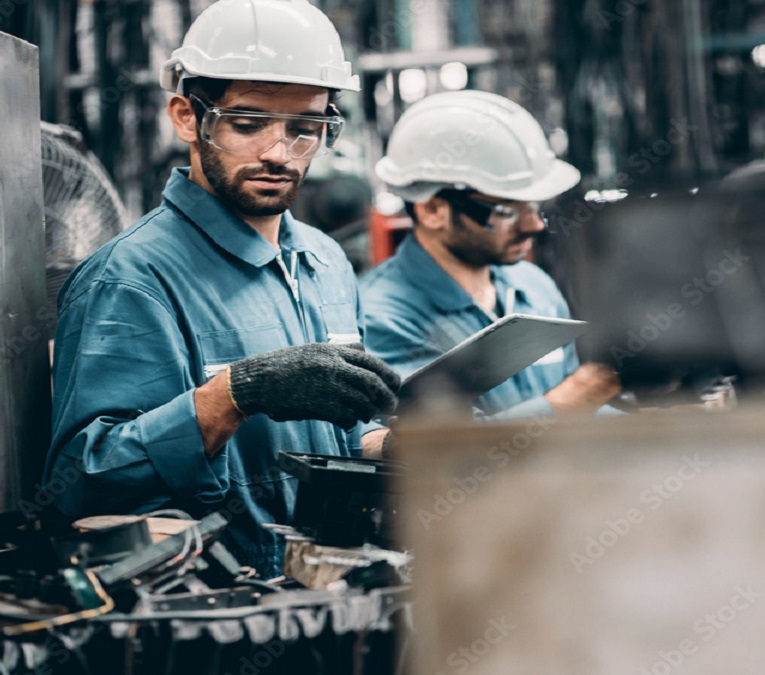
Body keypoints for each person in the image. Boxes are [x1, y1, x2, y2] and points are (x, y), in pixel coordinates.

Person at [45, 0, 399, 579]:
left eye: (304, 129)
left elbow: (342, 435)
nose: (279, 153)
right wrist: (232, 396)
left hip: (330, 597)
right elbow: (80, 485)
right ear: (187, 117)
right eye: (248, 123)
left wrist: (396, 447)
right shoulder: (131, 279)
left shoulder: (324, 261)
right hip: (213, 611)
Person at [359, 90, 621, 419]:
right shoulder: (382, 318)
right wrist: (571, 400)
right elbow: (433, 443)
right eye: (505, 211)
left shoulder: (533, 286)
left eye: (533, 206)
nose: (533, 225)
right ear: (433, 210)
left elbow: (585, 421)